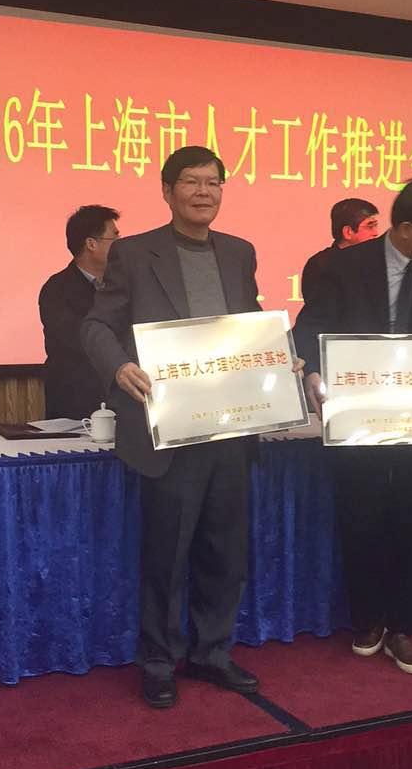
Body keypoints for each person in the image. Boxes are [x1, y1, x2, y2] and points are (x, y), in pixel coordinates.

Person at [80, 145, 262, 709]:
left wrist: (281, 357)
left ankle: (211, 652)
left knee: (224, 552)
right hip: (170, 429)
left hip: (232, 424)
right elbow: (96, 325)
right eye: (191, 181)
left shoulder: (239, 252)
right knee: (168, 555)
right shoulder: (135, 254)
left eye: (214, 182)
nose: (204, 192)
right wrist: (119, 366)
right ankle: (159, 661)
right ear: (167, 191)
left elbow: (251, 326)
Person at [295, 178, 412, 675]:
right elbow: (311, 325)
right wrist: (313, 372)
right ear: (404, 229)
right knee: (361, 515)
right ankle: (368, 619)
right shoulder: (345, 264)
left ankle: (404, 626)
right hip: (361, 410)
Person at [38, 205, 119, 420]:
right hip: (76, 404)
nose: (121, 244)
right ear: (91, 244)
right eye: (115, 237)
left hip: (121, 402)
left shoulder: (121, 284)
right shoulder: (57, 289)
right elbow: (78, 340)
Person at [301, 198, 380, 304]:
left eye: (376, 225)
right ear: (348, 232)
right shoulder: (321, 265)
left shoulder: (377, 262)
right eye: (370, 226)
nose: (376, 233)